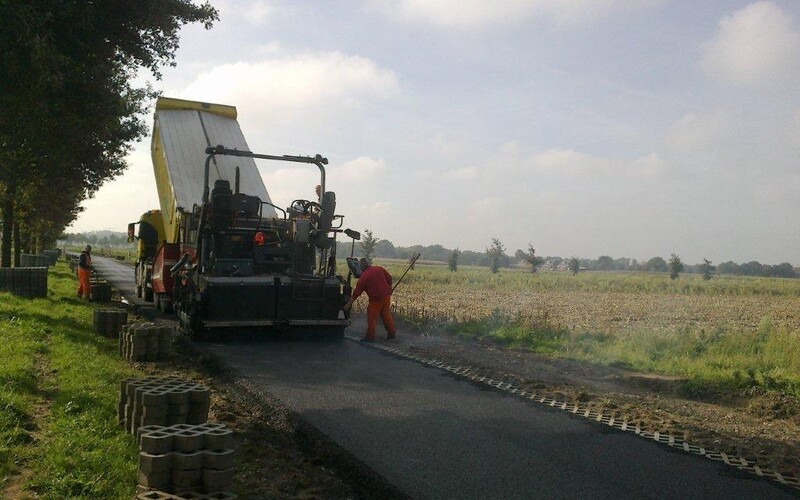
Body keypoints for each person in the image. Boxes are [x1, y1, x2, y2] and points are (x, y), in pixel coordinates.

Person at [343, 258, 396, 341]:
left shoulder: (364, 277)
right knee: (386, 314)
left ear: (361, 267)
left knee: (372, 317)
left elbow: (356, 293)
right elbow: (389, 278)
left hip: (376, 299)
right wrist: (389, 288)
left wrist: (349, 304)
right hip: (386, 296)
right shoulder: (379, 268)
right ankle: (392, 334)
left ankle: (370, 337)